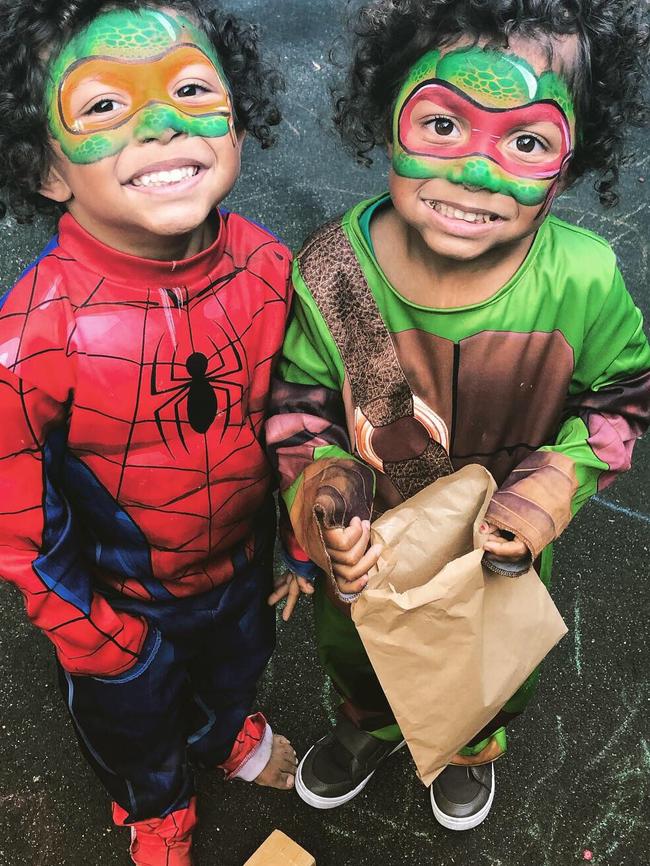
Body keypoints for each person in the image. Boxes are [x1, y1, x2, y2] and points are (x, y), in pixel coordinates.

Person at [266, 0, 650, 832]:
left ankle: (470, 749)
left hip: (499, 555)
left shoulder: (582, 280)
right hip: (370, 555)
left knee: (488, 672)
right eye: (444, 124)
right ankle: (364, 730)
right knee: (361, 660)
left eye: (525, 141)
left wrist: (550, 490)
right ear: (387, 111)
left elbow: (620, 396)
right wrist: (326, 497)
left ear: (573, 158)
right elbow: (299, 406)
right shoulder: (333, 272)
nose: (477, 171)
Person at [0, 2, 298, 863]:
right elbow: (17, 517)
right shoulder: (32, 336)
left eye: (192, 89)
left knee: (236, 669)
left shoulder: (269, 268)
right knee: (129, 721)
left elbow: (299, 419)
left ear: (238, 125)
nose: (162, 125)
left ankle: (222, 736)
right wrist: (88, 632)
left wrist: (310, 540)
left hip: (242, 567)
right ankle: (155, 806)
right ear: (46, 168)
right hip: (117, 597)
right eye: (103, 106)